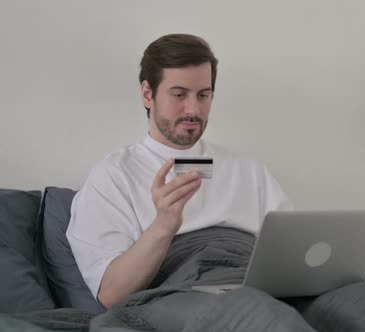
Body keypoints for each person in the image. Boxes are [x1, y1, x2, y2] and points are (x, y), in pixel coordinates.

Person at [66, 33, 292, 309]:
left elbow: (293, 251)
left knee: (356, 301)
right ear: (148, 94)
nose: (193, 109)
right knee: (257, 313)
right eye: (179, 94)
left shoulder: (248, 170)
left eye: (203, 95)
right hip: (184, 298)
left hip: (257, 288)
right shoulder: (113, 176)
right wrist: (163, 226)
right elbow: (111, 293)